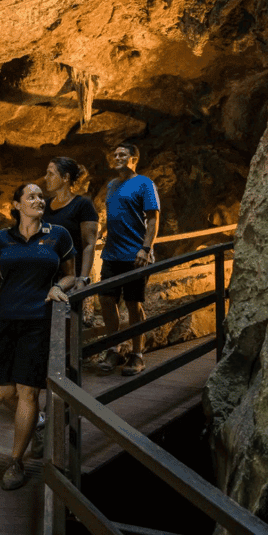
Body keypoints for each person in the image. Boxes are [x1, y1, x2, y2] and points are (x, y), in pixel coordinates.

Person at [0, 183, 75, 490]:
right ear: (15, 205)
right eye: (31, 196)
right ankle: (39, 423)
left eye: (41, 196)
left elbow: (70, 273)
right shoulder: (1, 239)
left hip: (37, 322)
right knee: (3, 394)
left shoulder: (58, 235)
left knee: (28, 393)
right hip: (4, 322)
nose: (39, 200)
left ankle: (15, 461)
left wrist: (59, 287)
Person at [97, 143, 160, 376]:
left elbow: (153, 219)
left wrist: (146, 248)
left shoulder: (144, 183)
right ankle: (114, 348)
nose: (117, 158)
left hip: (135, 255)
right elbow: (116, 214)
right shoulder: (112, 185)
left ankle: (137, 354)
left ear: (134, 159)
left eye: (122, 154)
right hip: (112, 253)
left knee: (134, 304)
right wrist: (103, 231)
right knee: (106, 299)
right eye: (114, 154)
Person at [42, 157, 99, 290]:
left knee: (68, 311)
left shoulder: (82, 205)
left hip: (70, 277)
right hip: (45, 276)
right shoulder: (45, 206)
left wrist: (83, 279)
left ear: (65, 177)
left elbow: (89, 245)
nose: (46, 178)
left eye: (51, 174)